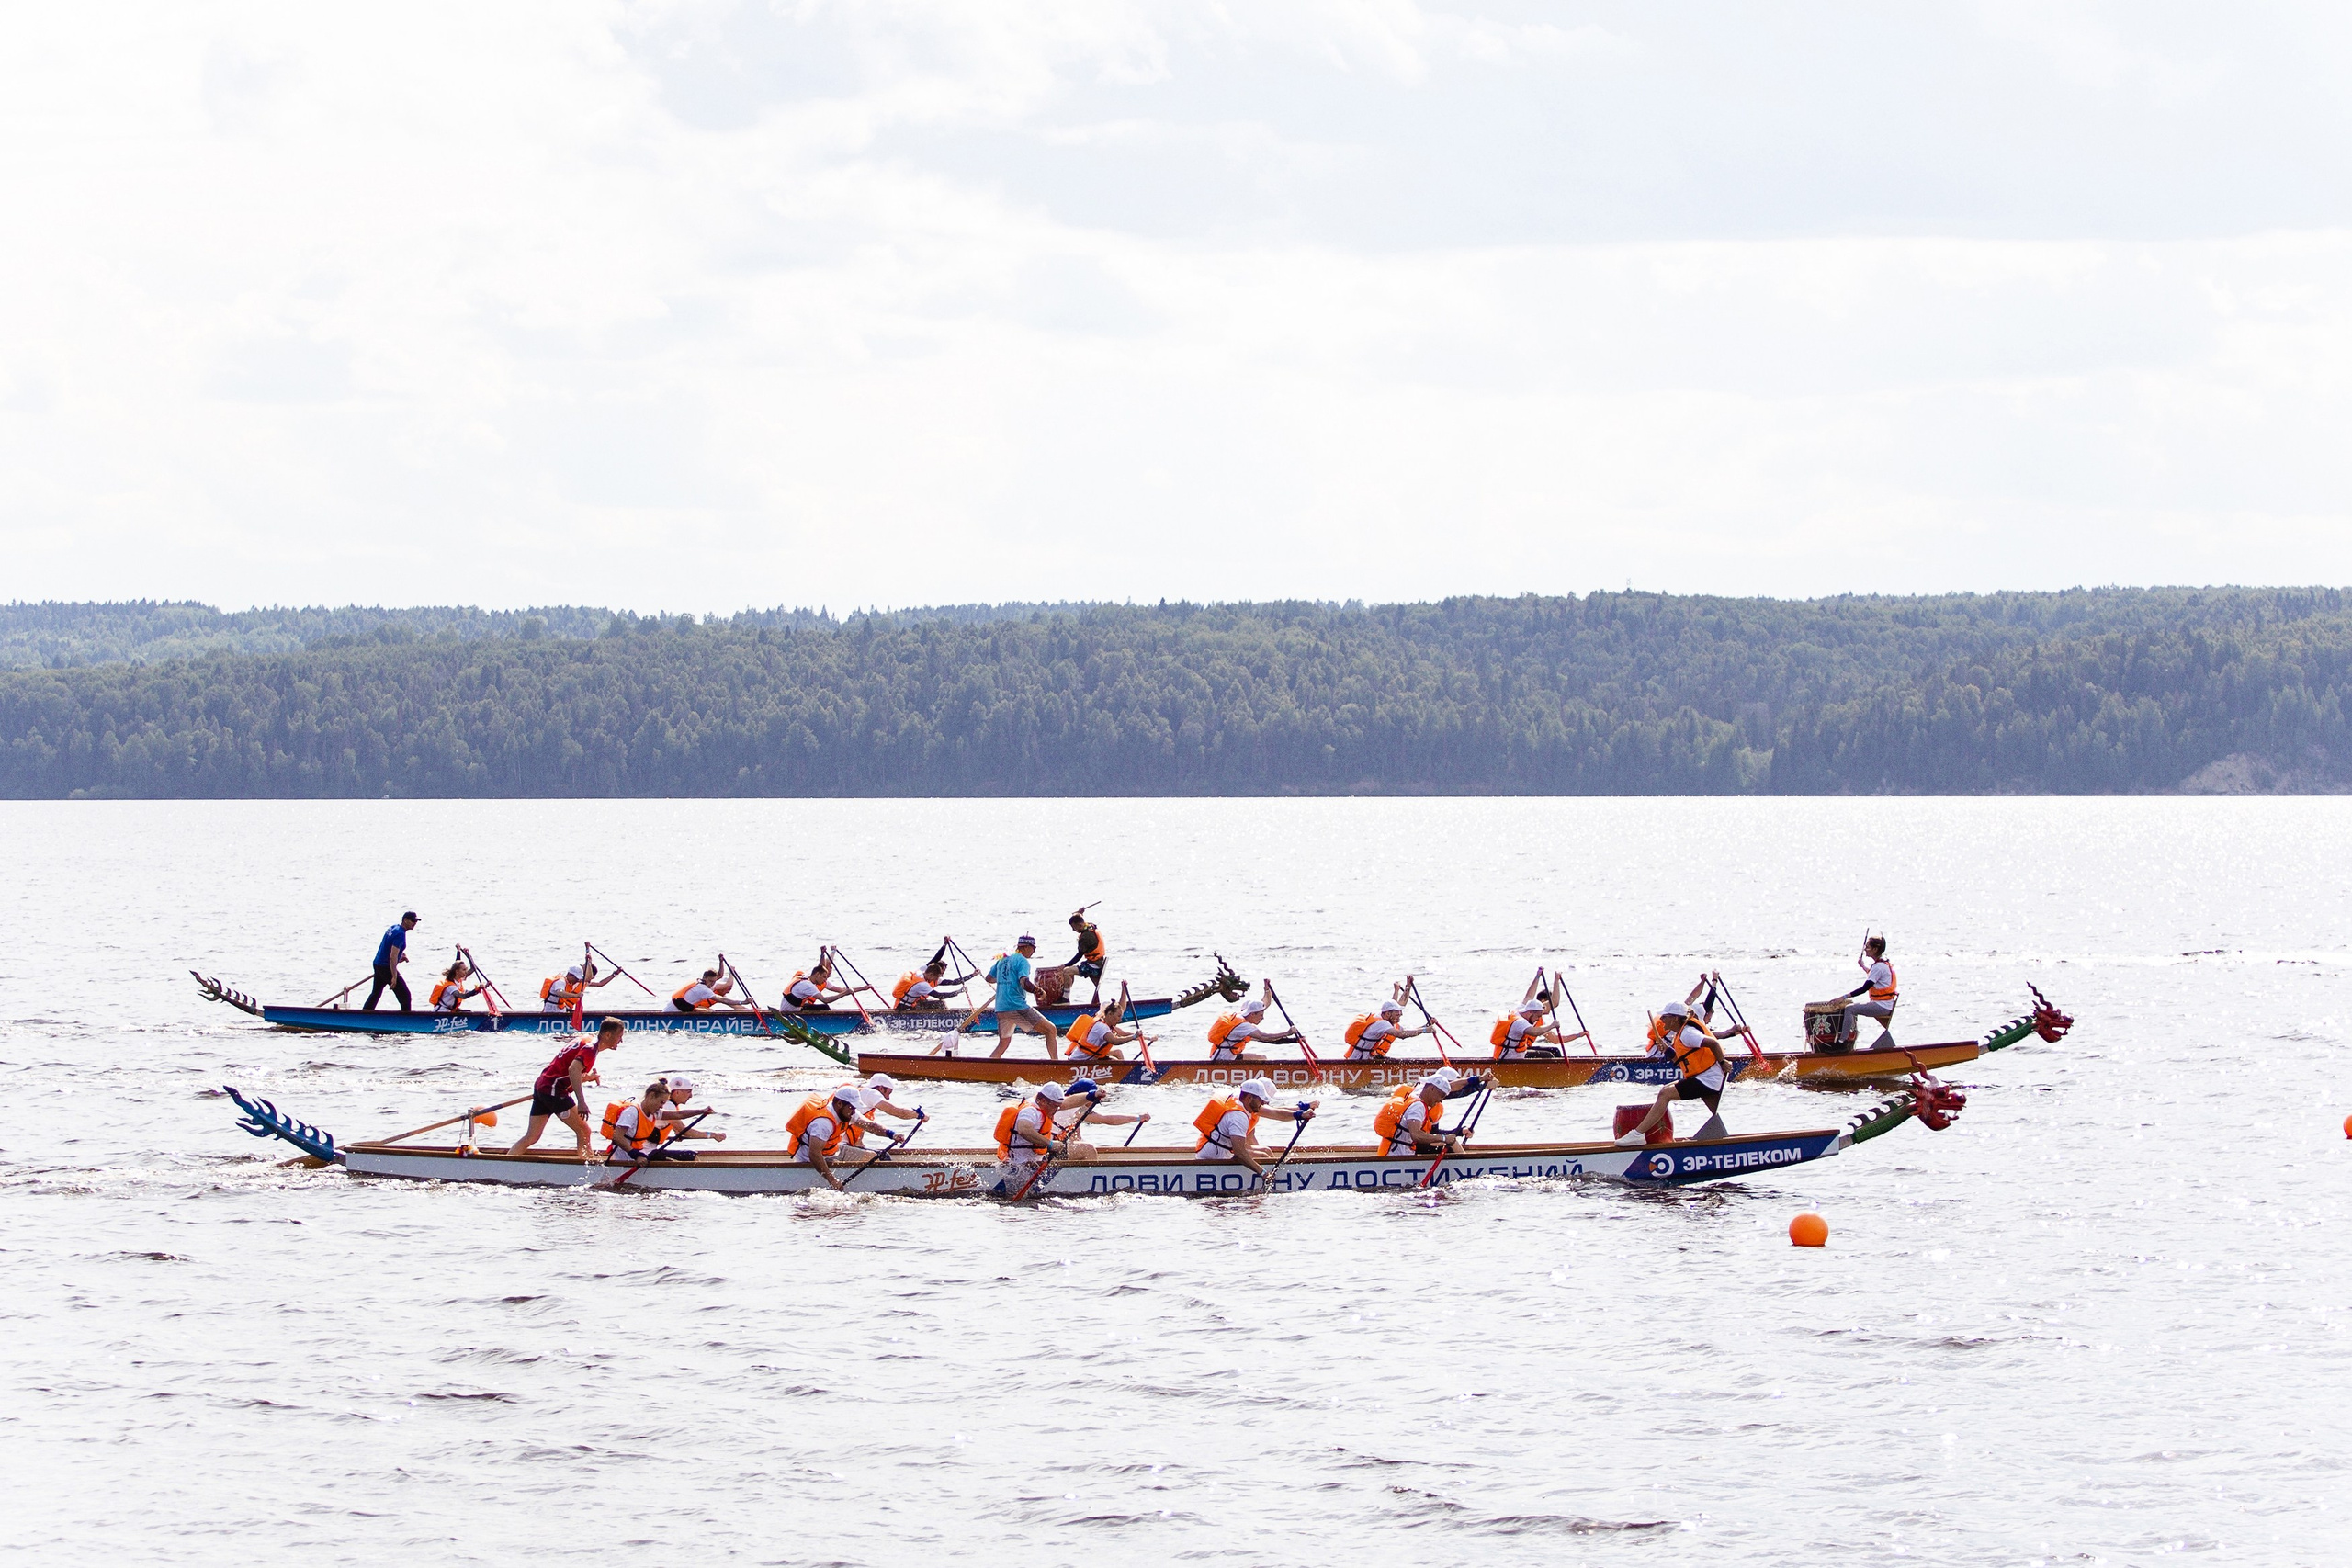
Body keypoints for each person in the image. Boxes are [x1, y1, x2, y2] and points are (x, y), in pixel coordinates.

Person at [1616, 1002, 1731, 1145]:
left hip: (1709, 1079)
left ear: (1675, 1019)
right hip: (1702, 1077)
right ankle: (1717, 1139)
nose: (1661, 1020)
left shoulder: (1688, 1033)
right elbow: (1680, 1060)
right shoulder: (1681, 1034)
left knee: (1665, 1094)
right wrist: (1667, 1050)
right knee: (1666, 1091)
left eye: (1665, 1017)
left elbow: (1713, 1043)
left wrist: (1722, 1062)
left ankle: (1638, 1134)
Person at [511, 1018, 622, 1156]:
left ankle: (506, 1162)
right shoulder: (590, 1050)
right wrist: (581, 1102)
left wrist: (585, 1078)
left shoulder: (587, 1039)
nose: (621, 1041)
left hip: (544, 1085)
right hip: (554, 1090)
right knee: (584, 1130)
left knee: (532, 1136)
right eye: (619, 1036)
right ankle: (585, 1168)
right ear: (608, 1035)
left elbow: (566, 1069)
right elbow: (573, 1070)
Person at [994, 1078, 1148, 1179]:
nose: (1058, 1109)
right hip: (1023, 1161)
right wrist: (1050, 1145)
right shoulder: (1031, 1111)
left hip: (1035, 1154)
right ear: (1043, 1101)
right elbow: (1024, 1129)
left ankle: (1069, 1175)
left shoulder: (1048, 1104)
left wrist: (1092, 1095)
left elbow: (1067, 1103)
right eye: (1055, 1106)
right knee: (1088, 1150)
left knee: (1079, 1139)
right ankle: (1085, 1181)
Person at [1191, 1077, 1315, 1179]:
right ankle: (1273, 1178)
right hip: (1214, 1155)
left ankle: (1277, 1176)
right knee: (1262, 1156)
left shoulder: (1242, 1099)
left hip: (1215, 1147)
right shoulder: (1238, 1117)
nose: (1264, 1104)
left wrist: (1301, 1114)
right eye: (1261, 1100)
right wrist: (1263, 1173)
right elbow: (1240, 1153)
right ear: (1250, 1098)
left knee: (1264, 1152)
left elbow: (1277, 1113)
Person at [965, 936, 1062, 1059]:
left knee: (1003, 1043)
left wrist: (1005, 979)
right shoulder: (1022, 961)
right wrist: (1039, 991)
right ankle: (1056, 1066)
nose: (1034, 951)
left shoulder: (1002, 959)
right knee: (1051, 1030)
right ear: (1026, 947)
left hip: (1001, 1008)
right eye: (1033, 948)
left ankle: (988, 1068)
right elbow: (1024, 983)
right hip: (1016, 1006)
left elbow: (989, 979)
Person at [784, 1084, 895, 1190]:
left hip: (833, 1150)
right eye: (852, 1107)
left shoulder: (847, 1111)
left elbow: (870, 1126)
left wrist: (891, 1134)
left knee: (874, 1156)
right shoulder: (823, 1123)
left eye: (855, 1108)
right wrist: (832, 1180)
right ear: (839, 1104)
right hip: (812, 1158)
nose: (854, 1111)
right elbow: (814, 1154)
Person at [1373, 1068, 1487, 1156]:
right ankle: (1468, 1170)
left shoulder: (1421, 1092)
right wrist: (1444, 1138)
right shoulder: (1417, 1106)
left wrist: (1479, 1079)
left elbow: (1454, 1086)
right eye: (1441, 1095)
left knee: (1450, 1142)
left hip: (1405, 1150)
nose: (1441, 1100)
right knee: (1452, 1144)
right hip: (1396, 1155)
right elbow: (1417, 1135)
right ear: (1432, 1089)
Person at [1835, 937, 1899, 1051]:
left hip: (1882, 1007)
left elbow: (1864, 988)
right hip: (1884, 1004)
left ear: (1875, 949)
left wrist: (1843, 997)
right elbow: (1874, 976)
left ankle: (1841, 1043)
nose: (1865, 949)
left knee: (1850, 1009)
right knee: (1853, 1007)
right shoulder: (1882, 964)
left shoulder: (1878, 967)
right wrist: (1863, 966)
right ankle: (1848, 1039)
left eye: (1868, 947)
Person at [1206, 985, 1301, 1062]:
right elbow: (1264, 1037)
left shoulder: (1241, 1020)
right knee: (1262, 1058)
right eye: (1260, 1015)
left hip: (1227, 1057)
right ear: (1252, 1014)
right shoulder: (1242, 1026)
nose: (1263, 1018)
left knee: (1261, 1058)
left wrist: (1294, 1040)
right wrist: (1287, 1033)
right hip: (1221, 1061)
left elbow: (1271, 1040)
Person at [603, 1081, 678, 1166]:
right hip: (623, 1160)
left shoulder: (654, 1113)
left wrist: (696, 1112)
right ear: (651, 1096)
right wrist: (635, 1154)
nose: (662, 1106)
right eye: (661, 1102)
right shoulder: (632, 1112)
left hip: (637, 1157)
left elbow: (679, 1114)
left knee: (684, 1156)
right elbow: (617, 1137)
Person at [844, 1073, 923, 1148]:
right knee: (885, 1158)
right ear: (881, 1088)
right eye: (889, 1093)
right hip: (841, 1146)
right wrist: (920, 1115)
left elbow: (858, 1139)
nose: (888, 1098)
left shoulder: (862, 1095)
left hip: (843, 1144)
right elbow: (898, 1112)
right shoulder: (871, 1093)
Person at [1062, 995, 1145, 1065]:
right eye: (1119, 1016)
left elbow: (1121, 1009)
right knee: (1115, 1062)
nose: (1120, 1020)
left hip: (1091, 1059)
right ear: (1109, 1014)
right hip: (1078, 1061)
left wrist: (1145, 1038)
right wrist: (1134, 1036)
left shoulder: (1108, 1025)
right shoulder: (1101, 1027)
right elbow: (1115, 1041)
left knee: (1116, 1061)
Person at [1345, 996, 1434, 1059]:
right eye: (1397, 1015)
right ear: (1388, 1014)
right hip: (1358, 1060)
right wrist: (1425, 1030)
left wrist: (1426, 1025)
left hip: (1366, 1059)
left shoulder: (1383, 1017)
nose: (1399, 1017)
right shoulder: (1382, 1024)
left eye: (1400, 1014)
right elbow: (1401, 1035)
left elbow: (1406, 1031)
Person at [364, 911, 419, 1011]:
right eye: (413, 921)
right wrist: (394, 976)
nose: (415, 923)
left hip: (378, 964)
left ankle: (363, 1016)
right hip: (386, 967)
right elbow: (392, 956)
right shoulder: (400, 934)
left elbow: (388, 948)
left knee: (376, 993)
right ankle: (406, 1021)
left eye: (416, 921)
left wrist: (400, 956)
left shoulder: (394, 928)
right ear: (405, 920)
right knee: (405, 995)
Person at [653, 1075, 728, 1149]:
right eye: (689, 1092)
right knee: (691, 1155)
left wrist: (677, 1133)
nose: (691, 1096)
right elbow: (685, 1130)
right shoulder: (668, 1106)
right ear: (677, 1092)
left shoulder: (669, 1105)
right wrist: (713, 1135)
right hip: (647, 1151)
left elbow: (677, 1128)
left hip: (650, 1149)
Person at [1490, 998, 1565, 1060]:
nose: (1538, 1019)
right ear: (1530, 1012)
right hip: (1509, 1057)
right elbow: (1535, 1032)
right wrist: (1552, 1026)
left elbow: (1529, 995)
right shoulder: (1520, 1022)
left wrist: (1538, 979)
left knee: (1554, 1051)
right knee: (1548, 1056)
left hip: (1517, 1054)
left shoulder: (1518, 1012)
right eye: (1538, 1016)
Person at [781, 953, 859, 1011]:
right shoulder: (808, 985)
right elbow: (825, 1000)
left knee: (824, 1007)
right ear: (817, 974)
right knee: (825, 1007)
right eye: (824, 977)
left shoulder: (806, 977)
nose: (825, 980)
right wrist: (845, 994)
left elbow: (821, 966)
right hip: (789, 1014)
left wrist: (823, 954)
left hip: (791, 1010)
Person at [541, 958, 620, 1014]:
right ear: (570, 975)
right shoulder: (561, 982)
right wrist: (576, 995)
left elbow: (600, 983)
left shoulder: (578, 982)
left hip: (562, 1009)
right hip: (552, 1010)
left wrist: (614, 974)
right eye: (576, 977)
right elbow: (559, 992)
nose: (577, 980)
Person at [1065, 908, 1108, 1004]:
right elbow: (1081, 920)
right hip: (1098, 963)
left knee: (1067, 971)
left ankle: (1065, 999)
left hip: (1093, 967)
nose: (1073, 930)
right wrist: (1079, 914)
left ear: (1079, 925)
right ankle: (1097, 1005)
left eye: (1073, 927)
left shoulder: (1086, 937)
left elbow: (1079, 955)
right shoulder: (1091, 926)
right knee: (1096, 988)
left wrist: (1065, 965)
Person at [672, 968, 754, 1013]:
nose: (728, 991)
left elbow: (735, 1006)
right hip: (676, 1011)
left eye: (713, 982)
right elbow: (723, 1000)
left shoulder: (706, 985)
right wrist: (743, 1001)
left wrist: (752, 1011)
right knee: (709, 1011)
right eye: (728, 989)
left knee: (709, 1011)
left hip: (685, 1008)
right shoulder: (704, 989)